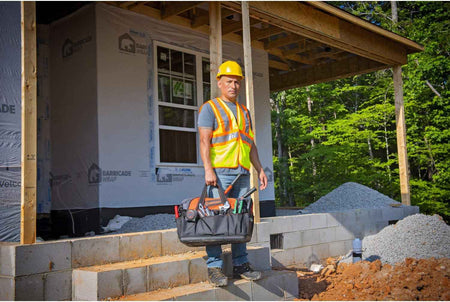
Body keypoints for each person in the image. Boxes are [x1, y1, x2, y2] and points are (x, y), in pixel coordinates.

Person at [198, 60, 268, 287]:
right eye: (229, 81)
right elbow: (204, 141)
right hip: (219, 175)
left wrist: (259, 169)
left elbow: (250, 143)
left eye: (237, 82)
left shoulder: (244, 111)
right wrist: (208, 169)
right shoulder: (210, 108)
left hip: (242, 174)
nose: (233, 86)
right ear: (219, 82)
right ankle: (215, 267)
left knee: (240, 220)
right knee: (215, 221)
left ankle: (240, 264)